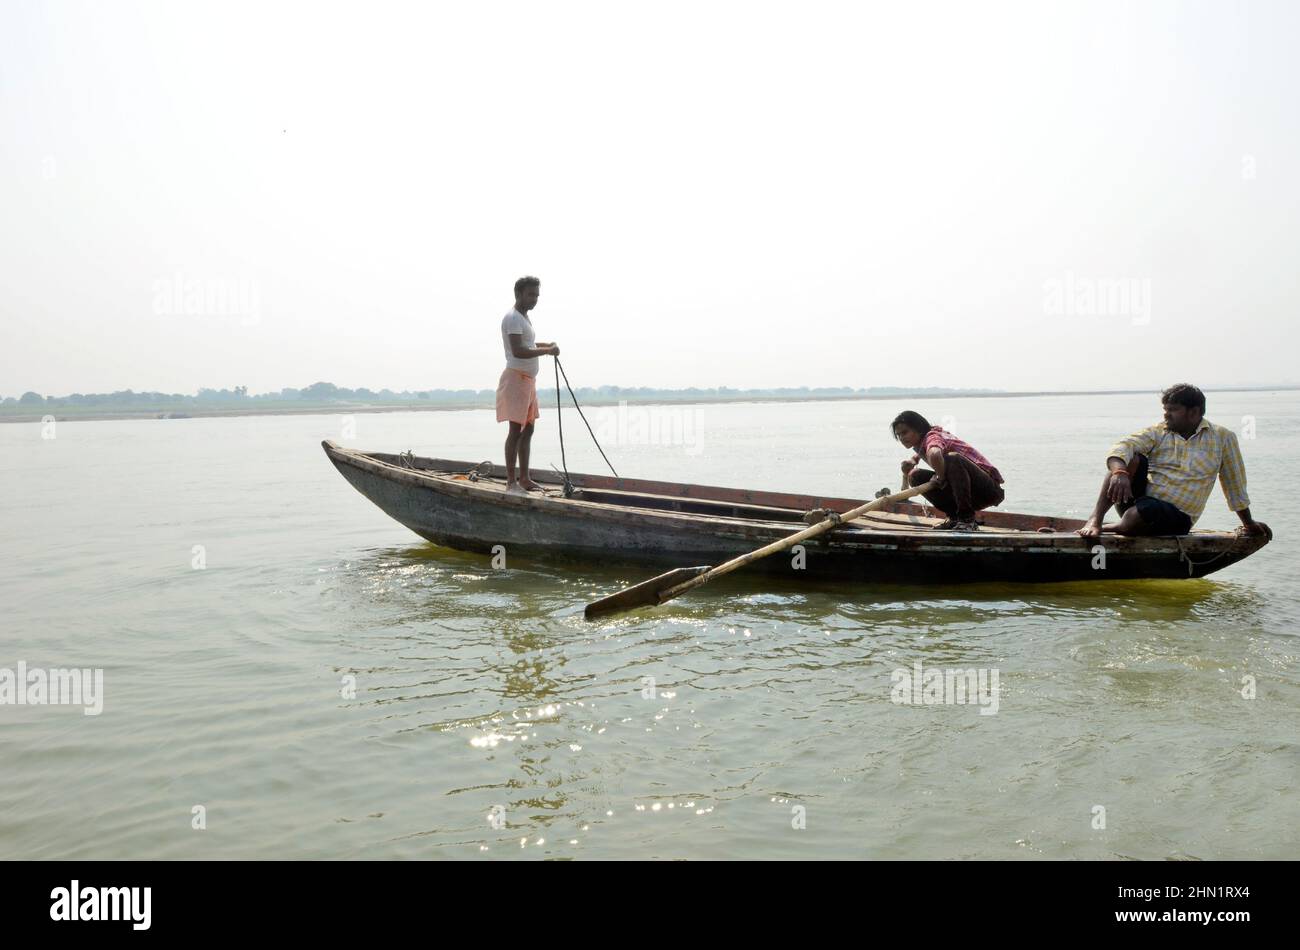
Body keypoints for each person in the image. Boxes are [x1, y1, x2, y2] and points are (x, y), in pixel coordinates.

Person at [1076, 383, 1266, 539]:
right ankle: (1096, 519)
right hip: (1139, 504)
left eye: (1173, 410)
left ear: (1194, 412)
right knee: (1129, 458)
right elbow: (1123, 446)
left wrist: (1248, 524)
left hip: (1178, 518)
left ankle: (1111, 527)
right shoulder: (1158, 432)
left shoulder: (1223, 438)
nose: (1166, 415)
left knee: (1143, 511)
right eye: (1165, 410)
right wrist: (1119, 473)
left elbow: (1234, 485)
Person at [496, 276, 559, 494]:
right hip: (516, 379)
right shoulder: (512, 318)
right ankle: (511, 482)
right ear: (519, 294)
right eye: (531, 294)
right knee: (515, 429)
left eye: (537, 295)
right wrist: (546, 351)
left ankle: (525, 478)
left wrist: (547, 345)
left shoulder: (524, 318)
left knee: (529, 428)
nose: (534, 299)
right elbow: (518, 351)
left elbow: (529, 344)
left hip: (528, 381)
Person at [893, 411, 1005, 531]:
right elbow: (926, 451)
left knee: (953, 459)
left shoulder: (932, 437)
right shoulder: (921, 442)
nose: (902, 438)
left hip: (988, 490)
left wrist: (940, 478)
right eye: (898, 435)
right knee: (915, 475)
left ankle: (967, 520)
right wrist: (913, 460)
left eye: (905, 433)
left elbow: (935, 454)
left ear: (919, 429)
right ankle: (955, 518)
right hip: (967, 493)